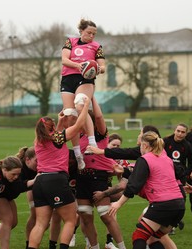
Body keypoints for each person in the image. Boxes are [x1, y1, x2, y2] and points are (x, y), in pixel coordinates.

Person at [27, 96, 90, 249]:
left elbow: (56, 138)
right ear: (51, 128)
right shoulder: (56, 137)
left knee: (41, 223)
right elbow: (79, 125)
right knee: (71, 219)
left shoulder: (38, 141)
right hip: (56, 180)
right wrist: (86, 105)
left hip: (40, 182)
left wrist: (60, 121)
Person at [108, 131, 185, 249]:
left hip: (162, 205)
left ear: (144, 145)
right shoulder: (166, 158)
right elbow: (179, 172)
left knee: (138, 236)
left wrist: (118, 203)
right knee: (153, 237)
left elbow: (133, 185)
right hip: (179, 205)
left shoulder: (144, 159)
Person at [75, 97, 126, 249]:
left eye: (83, 119)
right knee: (85, 217)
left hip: (98, 178)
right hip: (82, 178)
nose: (80, 122)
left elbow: (98, 117)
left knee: (106, 216)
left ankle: (122, 247)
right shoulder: (78, 135)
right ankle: (95, 247)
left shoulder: (101, 135)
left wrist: (91, 97)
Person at [60, 18, 106, 170]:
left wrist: (96, 69)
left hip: (85, 79)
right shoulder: (70, 42)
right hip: (68, 79)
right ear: (81, 31)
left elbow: (103, 66)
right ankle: (78, 155)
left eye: (94, 33)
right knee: (70, 115)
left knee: (81, 104)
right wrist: (79, 65)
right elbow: (64, 60)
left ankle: (92, 143)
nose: (91, 36)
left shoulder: (97, 46)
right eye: (88, 33)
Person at [0, 147, 38, 249]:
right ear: (27, 160)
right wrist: (33, 181)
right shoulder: (19, 168)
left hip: (8, 196)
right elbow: (17, 186)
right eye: (36, 161)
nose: (39, 164)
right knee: (7, 221)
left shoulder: (33, 168)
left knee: (13, 222)